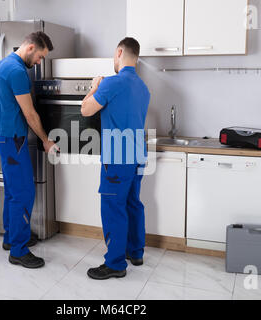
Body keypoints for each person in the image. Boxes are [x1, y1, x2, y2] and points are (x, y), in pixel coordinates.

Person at [81, 37, 150, 280]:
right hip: (138, 155)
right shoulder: (143, 87)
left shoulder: (111, 83)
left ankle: (115, 263)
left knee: (113, 208)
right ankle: (136, 252)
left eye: (114, 55)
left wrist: (94, 87)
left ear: (119, 52)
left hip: (117, 157)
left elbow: (85, 109)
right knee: (133, 203)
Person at [0, 31, 59, 269]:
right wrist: (46, 140)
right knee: (24, 193)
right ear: (30, 47)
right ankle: (19, 250)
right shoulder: (18, 72)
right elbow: (30, 114)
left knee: (13, 191)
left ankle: (11, 238)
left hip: (4, 136)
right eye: (40, 56)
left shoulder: (4, 64)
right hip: (13, 139)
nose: (39, 62)